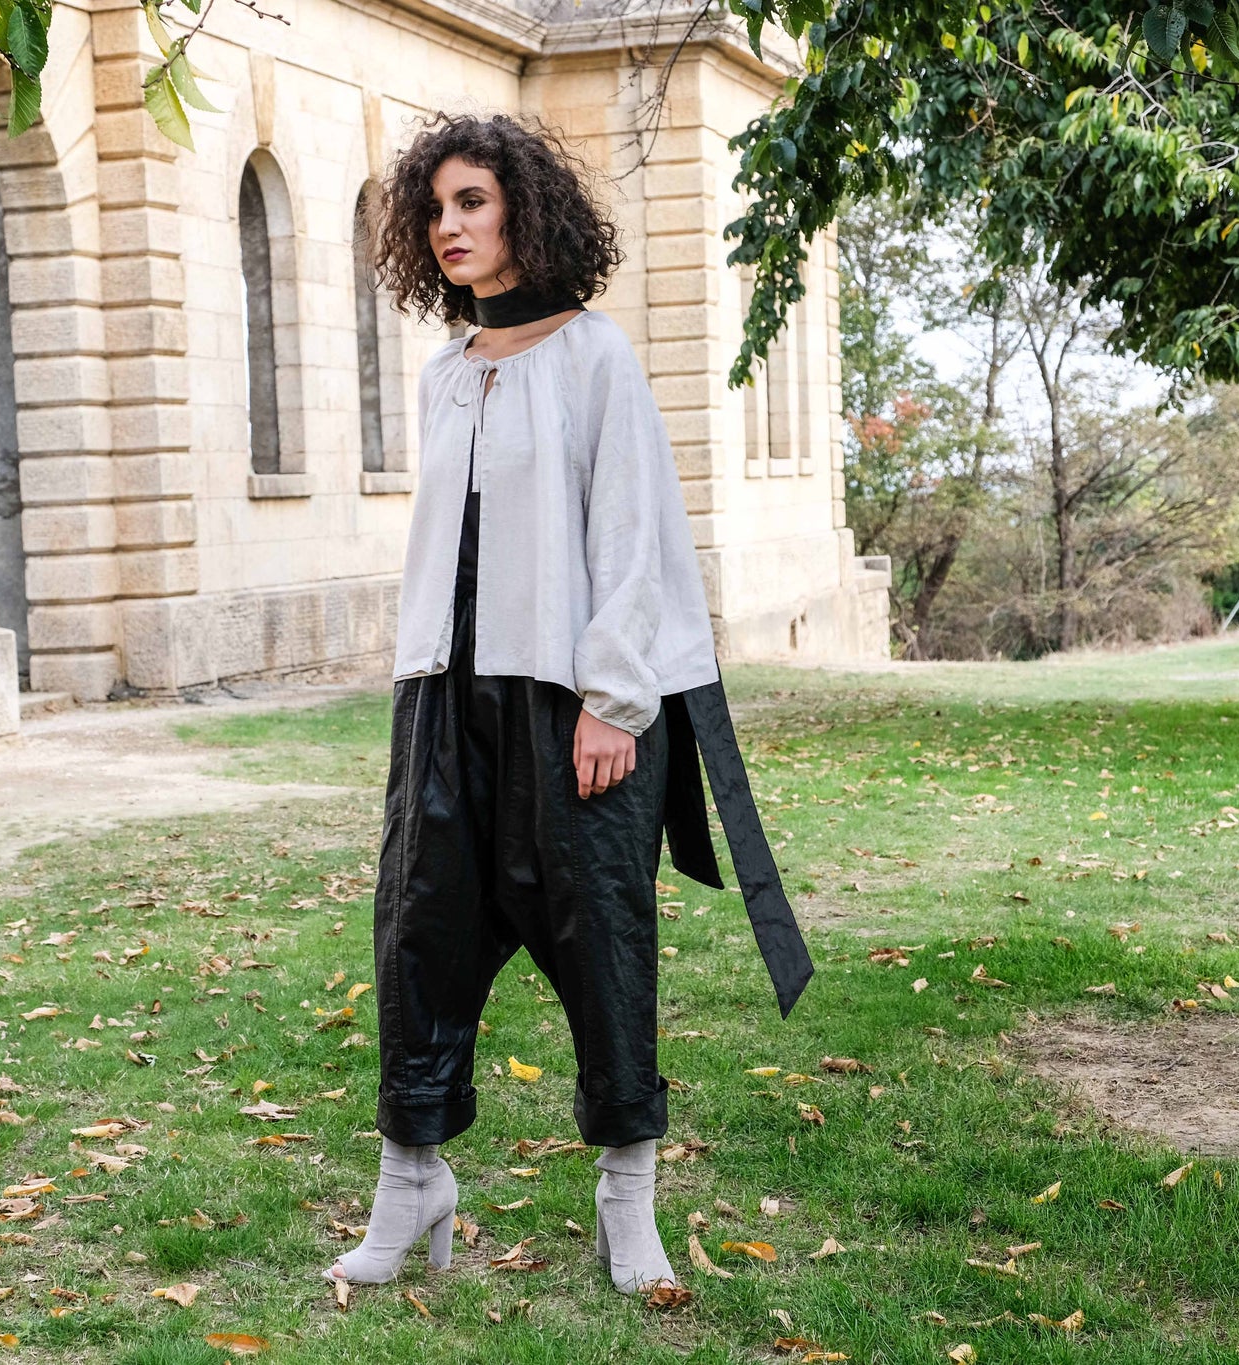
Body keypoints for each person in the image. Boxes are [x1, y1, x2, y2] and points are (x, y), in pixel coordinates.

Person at [321, 113, 816, 1297]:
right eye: (433, 209)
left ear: (524, 212)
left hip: (571, 703)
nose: (448, 227)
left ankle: (626, 1203)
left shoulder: (595, 356)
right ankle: (409, 1184)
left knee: (602, 943)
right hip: (443, 700)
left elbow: (631, 534)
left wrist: (612, 700)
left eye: (471, 202)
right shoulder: (445, 373)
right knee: (418, 938)